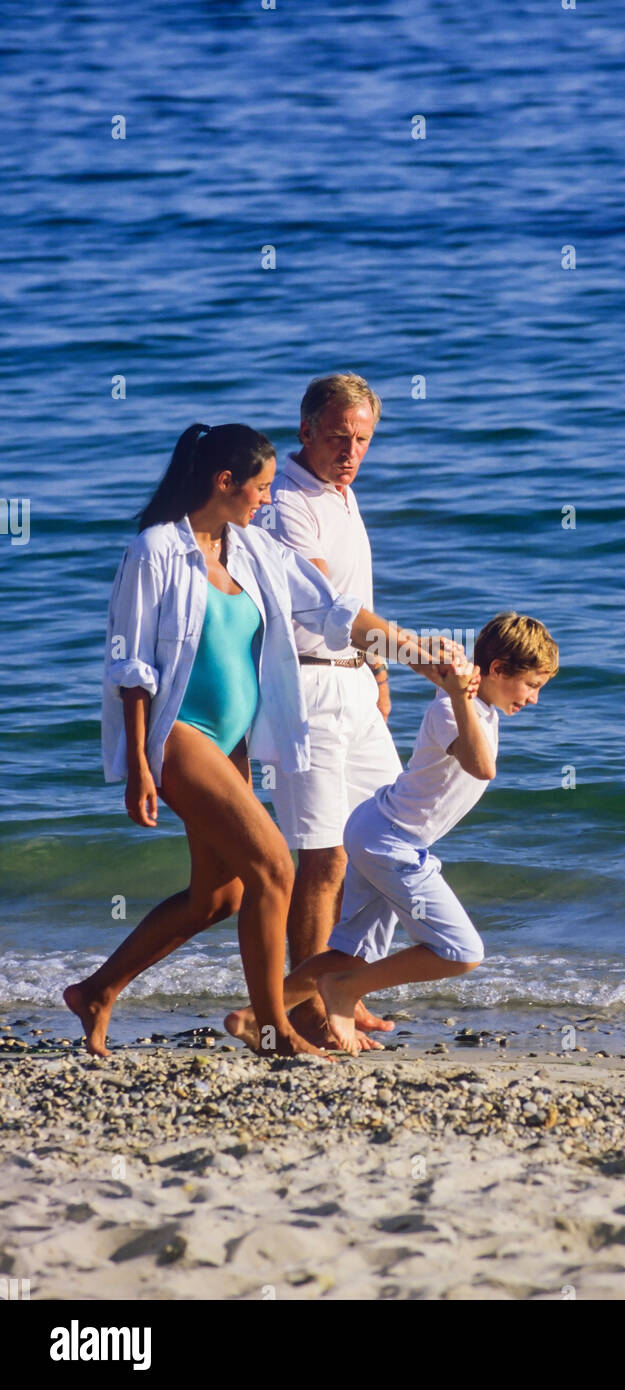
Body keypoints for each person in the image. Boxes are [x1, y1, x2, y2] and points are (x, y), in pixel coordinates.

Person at [63, 423, 462, 1059]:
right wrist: (140, 762)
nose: (268, 501)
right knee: (277, 865)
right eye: (261, 487)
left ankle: (97, 990)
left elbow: (335, 612)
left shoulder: (251, 549)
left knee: (219, 895)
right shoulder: (156, 550)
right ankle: (276, 1029)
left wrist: (416, 656)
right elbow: (131, 668)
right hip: (179, 734)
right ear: (224, 481)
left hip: (232, 741)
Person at [240, 613, 559, 1056]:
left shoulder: (473, 702)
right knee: (461, 950)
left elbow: (459, 685)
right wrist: (457, 691)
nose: (535, 699)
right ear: (501, 669)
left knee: (351, 950)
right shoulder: (453, 709)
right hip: (389, 842)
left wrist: (452, 667)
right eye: (532, 685)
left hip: (380, 831)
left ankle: (254, 1016)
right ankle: (344, 991)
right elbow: (482, 765)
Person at [244, 374, 403, 1048]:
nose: (350, 451)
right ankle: (306, 1009)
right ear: (305, 430)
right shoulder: (287, 502)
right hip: (306, 690)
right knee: (324, 857)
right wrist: (401, 647)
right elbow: (320, 603)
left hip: (353, 685)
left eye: (361, 439)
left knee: (389, 842)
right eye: (338, 437)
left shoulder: (342, 492)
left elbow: (350, 594)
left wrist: (377, 668)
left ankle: (343, 983)